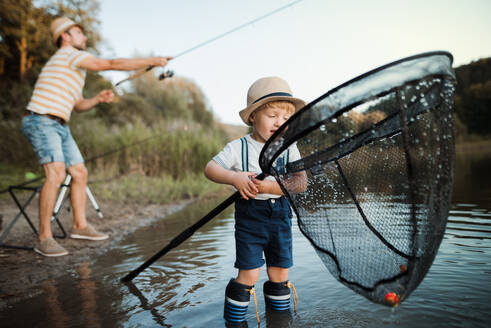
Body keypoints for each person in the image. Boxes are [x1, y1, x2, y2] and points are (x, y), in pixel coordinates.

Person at [21, 16, 172, 257]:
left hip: (60, 123)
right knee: (57, 172)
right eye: (79, 32)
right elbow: (109, 63)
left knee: (79, 172)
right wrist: (152, 60)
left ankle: (80, 226)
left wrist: (97, 100)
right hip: (41, 119)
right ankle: (43, 238)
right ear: (65, 36)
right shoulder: (68, 54)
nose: (85, 37)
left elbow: (78, 104)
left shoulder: (73, 68)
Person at [204, 76, 307, 325]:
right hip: (250, 217)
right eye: (272, 116)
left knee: (279, 272)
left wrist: (272, 186)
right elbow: (210, 168)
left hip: (280, 215)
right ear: (253, 117)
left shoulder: (289, 147)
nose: (279, 123)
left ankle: (279, 320)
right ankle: (235, 321)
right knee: (249, 273)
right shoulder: (238, 146)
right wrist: (234, 178)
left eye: (285, 118)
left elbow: (300, 183)